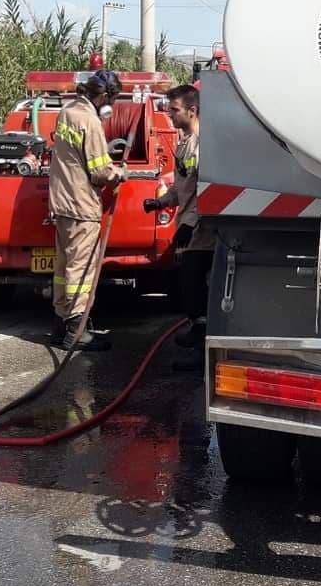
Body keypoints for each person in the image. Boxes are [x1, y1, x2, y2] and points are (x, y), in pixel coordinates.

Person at [48, 69, 126, 350]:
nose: (113, 105)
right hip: (82, 205)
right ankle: (76, 330)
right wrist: (119, 173)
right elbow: (99, 171)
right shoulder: (90, 122)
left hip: (62, 202)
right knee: (81, 269)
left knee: (63, 267)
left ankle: (60, 324)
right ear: (104, 96)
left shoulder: (67, 112)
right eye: (113, 99)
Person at [143, 84, 214, 370]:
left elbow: (206, 191)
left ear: (192, 111)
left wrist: (189, 224)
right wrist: (160, 202)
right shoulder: (185, 143)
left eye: (174, 110)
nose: (169, 115)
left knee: (194, 284)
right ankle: (198, 333)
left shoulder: (204, 143)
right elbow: (184, 186)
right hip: (189, 224)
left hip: (203, 229)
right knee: (188, 285)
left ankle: (203, 352)